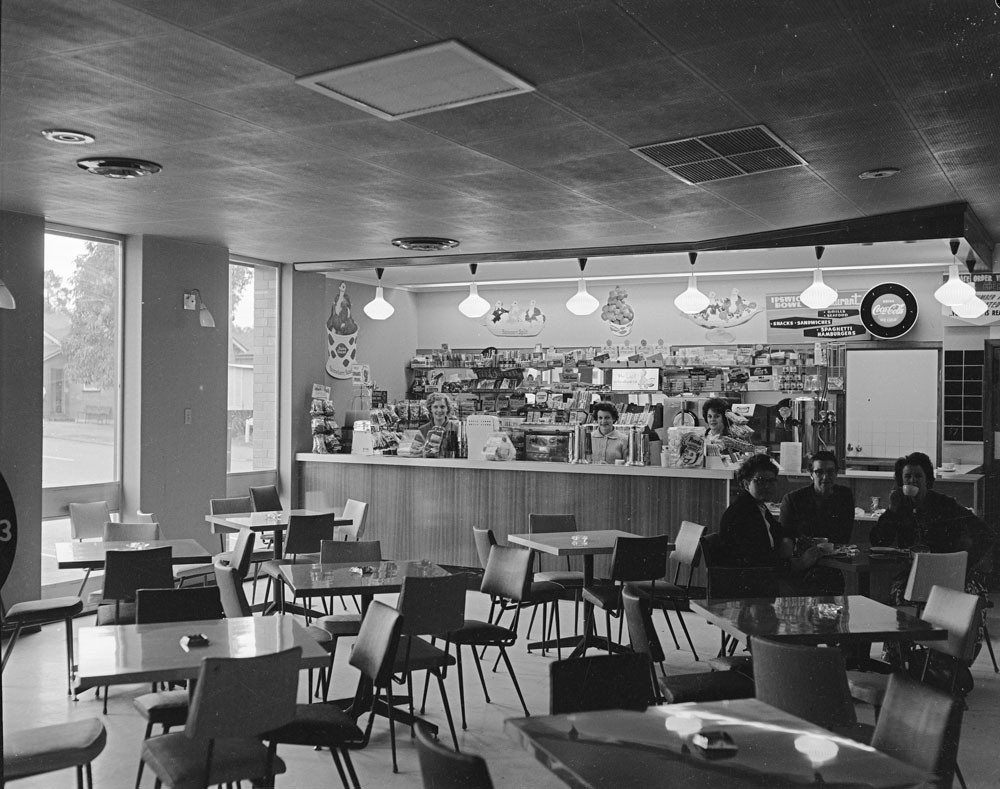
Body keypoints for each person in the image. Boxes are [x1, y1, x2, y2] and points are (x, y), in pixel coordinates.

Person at [870, 451, 994, 605]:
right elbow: (878, 541)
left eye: (918, 476)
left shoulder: (944, 504)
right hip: (913, 576)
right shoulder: (900, 508)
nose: (913, 480)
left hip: (947, 576)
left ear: (927, 480)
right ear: (901, 483)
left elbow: (985, 533)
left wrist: (964, 562)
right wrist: (891, 509)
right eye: (907, 477)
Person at [719, 454, 822, 594]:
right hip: (746, 587)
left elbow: (778, 530)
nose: (767, 486)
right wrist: (800, 563)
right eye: (760, 481)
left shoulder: (757, 507)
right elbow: (759, 563)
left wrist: (797, 538)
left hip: (757, 580)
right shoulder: (742, 514)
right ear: (745, 484)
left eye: (771, 481)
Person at [779, 451, 856, 545]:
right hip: (803, 555)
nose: (825, 477)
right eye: (819, 472)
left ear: (836, 473)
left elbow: (845, 535)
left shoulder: (844, 496)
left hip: (836, 554)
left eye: (830, 472)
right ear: (811, 474)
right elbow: (785, 537)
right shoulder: (793, 500)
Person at [417, 393, 460, 458]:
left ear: (447, 408)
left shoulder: (456, 429)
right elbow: (417, 454)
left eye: (442, 407)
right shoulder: (422, 430)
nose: (439, 410)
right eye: (435, 407)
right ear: (430, 409)